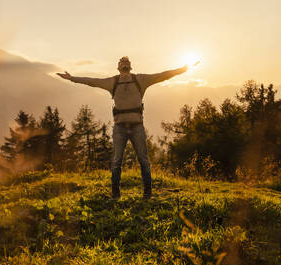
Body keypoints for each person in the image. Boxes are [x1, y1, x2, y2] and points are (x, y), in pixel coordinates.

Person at [57, 56, 190, 199]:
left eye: (127, 62)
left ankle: (147, 193)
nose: (124, 64)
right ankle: (115, 194)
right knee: (116, 162)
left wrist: (182, 70)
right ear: (118, 67)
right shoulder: (112, 82)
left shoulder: (141, 80)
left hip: (137, 126)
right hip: (119, 127)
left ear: (130, 66)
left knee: (143, 160)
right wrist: (71, 78)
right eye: (122, 62)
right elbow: (92, 81)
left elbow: (163, 75)